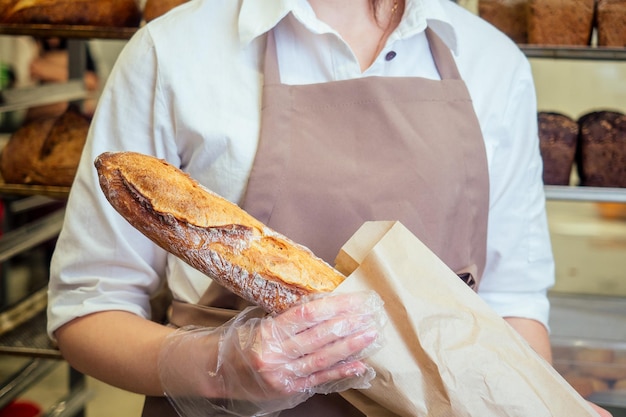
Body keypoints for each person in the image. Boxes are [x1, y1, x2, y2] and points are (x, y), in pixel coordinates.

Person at [46, 0, 612, 416]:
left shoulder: (491, 61)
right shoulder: (173, 51)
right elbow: (87, 308)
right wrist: (219, 367)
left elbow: (512, 307)